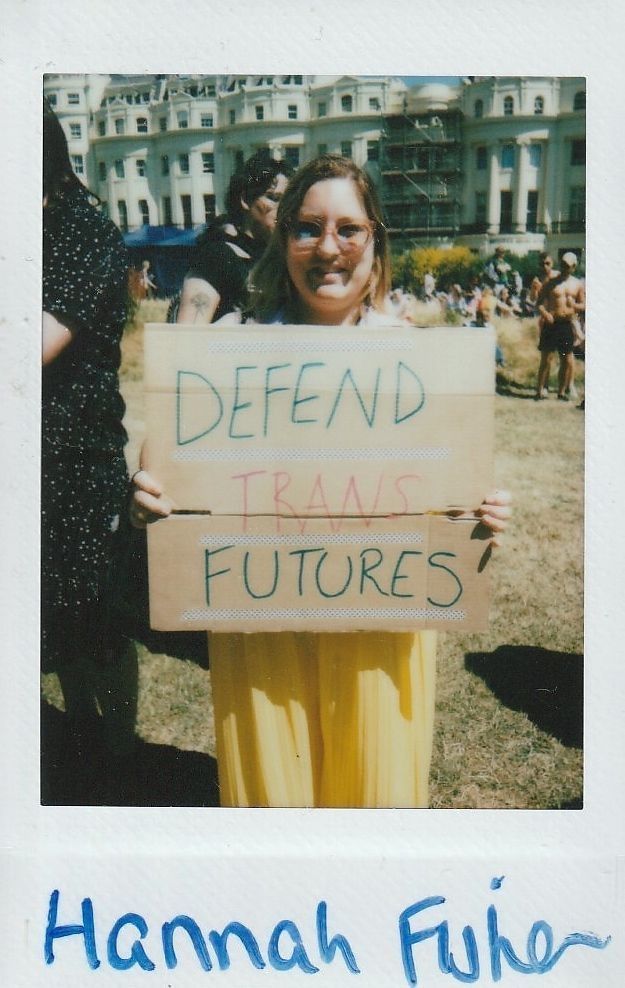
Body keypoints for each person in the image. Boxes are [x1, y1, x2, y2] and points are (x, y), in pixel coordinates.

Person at [131, 155, 510, 808]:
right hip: (260, 627)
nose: (326, 248)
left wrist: (481, 516)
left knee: (374, 807)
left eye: (348, 229)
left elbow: (451, 487)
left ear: (375, 242)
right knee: (276, 811)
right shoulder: (231, 341)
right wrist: (152, 496)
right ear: (282, 242)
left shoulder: (418, 357)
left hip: (380, 625)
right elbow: (168, 466)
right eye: (306, 229)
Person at [42, 101, 137, 758]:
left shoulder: (84, 232)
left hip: (77, 457)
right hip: (31, 457)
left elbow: (36, 345)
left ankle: (121, 742)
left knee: (95, 611)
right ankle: (79, 720)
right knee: (49, 606)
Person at [174, 154, 290, 324]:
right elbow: (188, 336)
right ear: (245, 199)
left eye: (288, 201)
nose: (283, 209)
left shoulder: (282, 257)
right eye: (273, 198)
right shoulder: (216, 256)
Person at [535, 252, 585, 401]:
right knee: (546, 358)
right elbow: (538, 303)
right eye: (562, 264)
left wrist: (574, 305)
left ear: (574, 267)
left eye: (567, 266)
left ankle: (561, 391)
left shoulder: (577, 284)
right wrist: (545, 314)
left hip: (566, 324)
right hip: (551, 323)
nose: (564, 268)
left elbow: (584, 305)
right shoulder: (551, 281)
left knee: (566, 359)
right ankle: (539, 390)